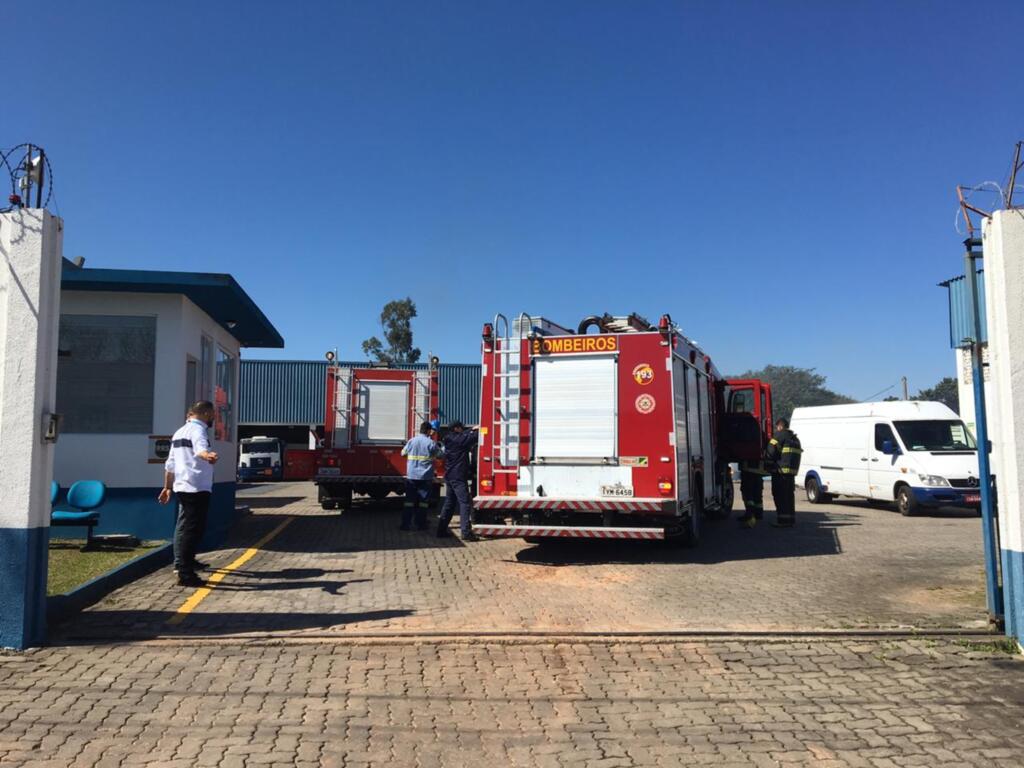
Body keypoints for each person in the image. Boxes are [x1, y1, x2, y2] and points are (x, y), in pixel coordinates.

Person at [158, 401, 219, 586]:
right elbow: (200, 449)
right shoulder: (198, 430)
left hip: (182, 486)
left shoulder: (179, 432)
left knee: (183, 526)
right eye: (213, 414)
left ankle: (184, 562)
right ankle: (185, 573)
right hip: (196, 487)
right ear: (206, 413)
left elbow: (170, 464)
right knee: (192, 530)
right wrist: (206, 455)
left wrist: (167, 487)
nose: (213, 418)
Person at [437, 421, 479, 541]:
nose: (463, 429)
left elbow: (465, 435)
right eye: (461, 428)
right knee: (465, 503)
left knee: (449, 503)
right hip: (458, 477)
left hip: (450, 476)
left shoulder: (449, 438)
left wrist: (471, 429)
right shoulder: (459, 440)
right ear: (456, 428)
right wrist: (479, 429)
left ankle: (441, 530)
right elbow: (474, 436)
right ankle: (466, 532)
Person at [400, 421, 440, 531]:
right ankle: (421, 524)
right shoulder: (431, 443)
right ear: (428, 431)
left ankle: (405, 524)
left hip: (412, 476)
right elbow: (440, 455)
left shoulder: (412, 441)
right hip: (425, 477)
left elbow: (402, 453)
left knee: (409, 501)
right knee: (423, 503)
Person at [765, 417, 802, 527]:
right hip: (791, 473)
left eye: (777, 427)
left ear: (780, 426)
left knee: (780, 496)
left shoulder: (779, 436)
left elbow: (770, 452)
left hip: (780, 472)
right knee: (789, 496)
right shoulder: (795, 439)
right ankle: (790, 519)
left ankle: (782, 521)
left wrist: (767, 465)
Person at [736, 462, 766, 528]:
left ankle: (750, 514)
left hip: (748, 470)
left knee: (748, 493)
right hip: (759, 471)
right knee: (758, 494)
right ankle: (758, 514)